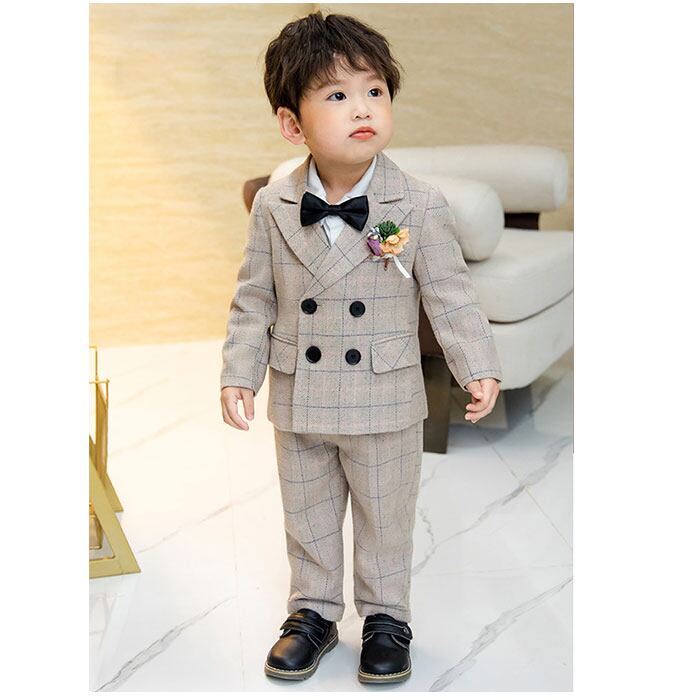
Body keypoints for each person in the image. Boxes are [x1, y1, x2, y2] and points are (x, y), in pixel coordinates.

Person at [220, 10, 502, 685]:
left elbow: (451, 295)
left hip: (385, 395)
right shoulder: (273, 207)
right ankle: (312, 613)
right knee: (308, 515)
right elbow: (254, 297)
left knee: (385, 518)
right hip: (302, 394)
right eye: (337, 95)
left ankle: (385, 617)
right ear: (292, 124)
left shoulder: (419, 204)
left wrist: (477, 366)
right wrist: (239, 373)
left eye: (375, 90)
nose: (363, 108)